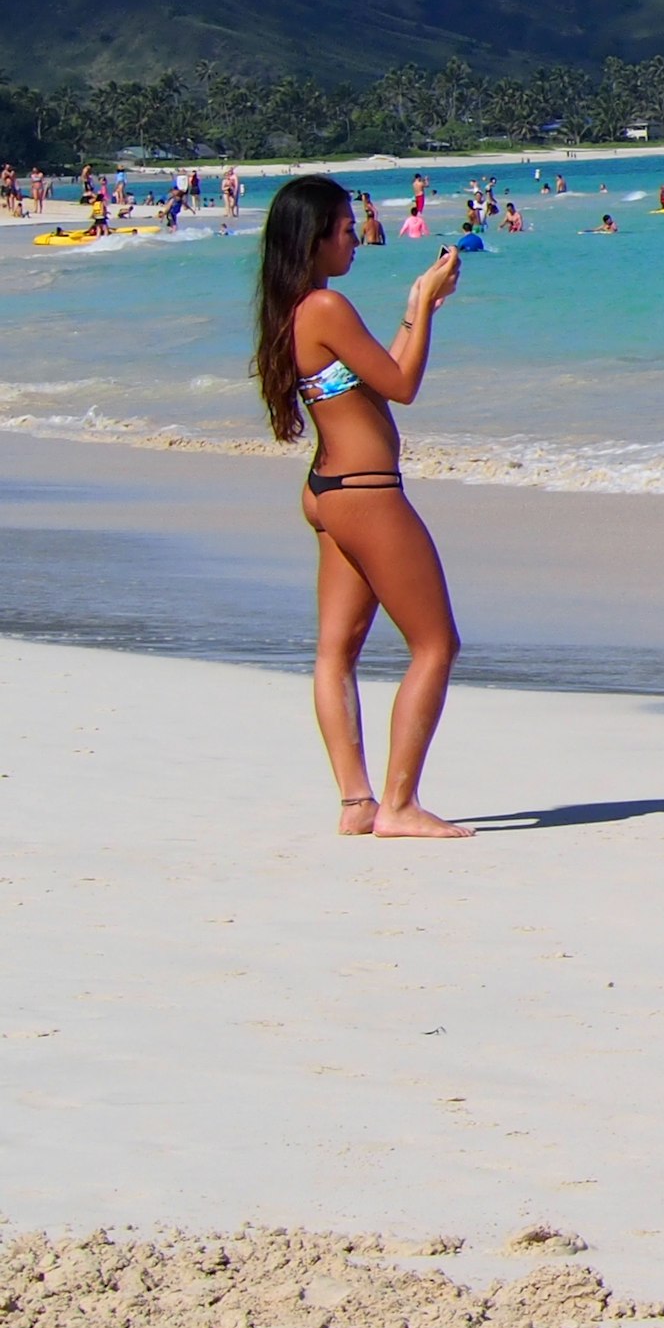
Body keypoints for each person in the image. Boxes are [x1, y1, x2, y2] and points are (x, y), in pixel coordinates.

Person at [253, 174, 471, 838]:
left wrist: (419, 307)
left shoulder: (294, 309)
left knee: (336, 651)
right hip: (366, 493)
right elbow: (402, 384)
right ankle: (399, 805)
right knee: (436, 644)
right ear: (314, 239)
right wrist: (424, 300)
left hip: (330, 492)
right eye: (346, 228)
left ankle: (357, 803)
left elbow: (383, 374)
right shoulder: (326, 308)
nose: (356, 238)